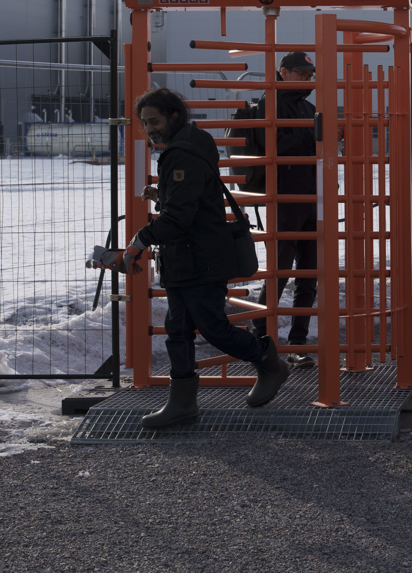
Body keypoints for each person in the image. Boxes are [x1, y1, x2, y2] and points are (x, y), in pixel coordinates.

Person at [122, 86, 289, 428]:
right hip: (185, 258)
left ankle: (268, 361)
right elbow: (194, 198)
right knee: (178, 331)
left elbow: (180, 217)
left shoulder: (181, 153)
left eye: (154, 121)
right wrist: (163, 194)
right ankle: (182, 403)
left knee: (213, 328)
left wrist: (140, 240)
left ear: (173, 116)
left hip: (200, 257)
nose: (149, 129)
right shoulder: (192, 143)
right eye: (144, 123)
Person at [249, 52, 319, 369]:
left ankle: (297, 344)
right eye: (302, 73)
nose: (307, 79)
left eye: (310, 74)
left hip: (312, 198)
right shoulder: (270, 103)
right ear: (284, 72)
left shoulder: (309, 108)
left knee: (308, 276)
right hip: (284, 199)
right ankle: (262, 340)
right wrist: (312, 135)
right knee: (279, 273)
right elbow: (274, 144)